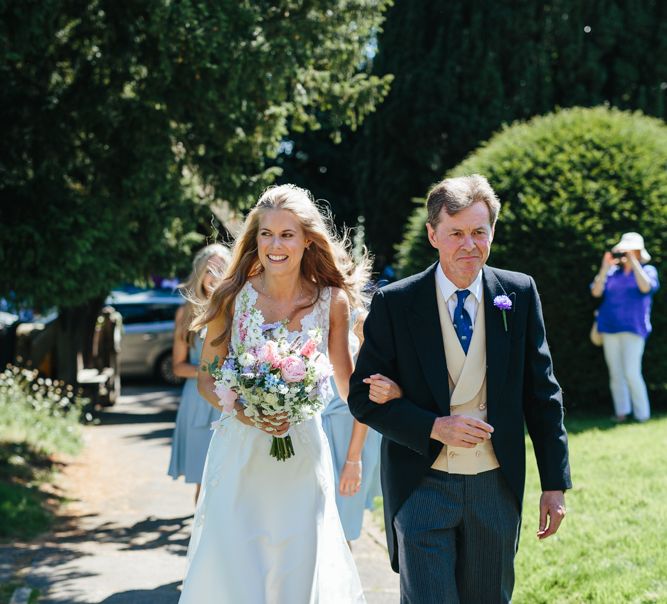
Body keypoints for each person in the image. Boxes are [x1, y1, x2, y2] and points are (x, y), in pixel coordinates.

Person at [348, 174, 572, 603]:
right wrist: (433, 426)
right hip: (421, 484)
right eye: (456, 233)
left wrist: (554, 483)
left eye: (478, 232)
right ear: (433, 234)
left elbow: (542, 394)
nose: (469, 245)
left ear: (492, 232)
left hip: (495, 486)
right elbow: (362, 398)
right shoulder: (396, 302)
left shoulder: (518, 293)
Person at [178, 184, 371, 603]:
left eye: (287, 234)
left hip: (302, 456)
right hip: (239, 453)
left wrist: (378, 400)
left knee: (296, 570)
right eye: (266, 234)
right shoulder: (233, 296)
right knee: (238, 570)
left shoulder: (331, 301)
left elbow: (349, 386)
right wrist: (245, 410)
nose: (275, 245)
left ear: (306, 240)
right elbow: (208, 379)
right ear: (254, 238)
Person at [167, 244, 230, 503]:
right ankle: (200, 538)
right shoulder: (187, 313)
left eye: (221, 269)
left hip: (229, 399)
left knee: (228, 477)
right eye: (209, 270)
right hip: (197, 401)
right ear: (199, 273)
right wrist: (209, 371)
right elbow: (178, 366)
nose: (214, 276)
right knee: (203, 481)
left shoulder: (236, 310)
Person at [321, 309, 382, 547]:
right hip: (310, 431)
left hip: (351, 433)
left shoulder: (359, 321)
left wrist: (353, 459)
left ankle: (340, 584)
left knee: (341, 529)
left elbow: (367, 396)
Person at [591, 232, 659, 423]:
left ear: (639, 252)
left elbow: (646, 287)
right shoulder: (613, 273)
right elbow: (596, 292)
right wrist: (604, 267)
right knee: (616, 373)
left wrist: (634, 263)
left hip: (634, 328)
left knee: (631, 371)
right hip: (609, 327)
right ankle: (622, 412)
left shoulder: (649, 270)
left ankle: (642, 414)